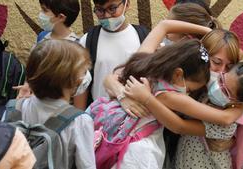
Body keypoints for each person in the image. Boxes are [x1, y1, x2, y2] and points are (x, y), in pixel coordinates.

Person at [87, 20, 212, 169]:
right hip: (137, 152)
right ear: (178, 74)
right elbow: (210, 121)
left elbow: (164, 25)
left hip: (108, 138)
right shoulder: (168, 95)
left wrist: (207, 31)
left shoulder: (142, 62)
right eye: (190, 89)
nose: (188, 94)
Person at [124, 62, 243, 169]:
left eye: (226, 91)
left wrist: (147, 99)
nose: (218, 86)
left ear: (238, 102)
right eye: (222, 78)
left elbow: (180, 126)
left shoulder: (225, 126)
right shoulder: (209, 90)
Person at [8, 40, 95, 169]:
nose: (84, 76)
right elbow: (86, 165)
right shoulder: (80, 121)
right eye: (82, 71)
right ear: (71, 81)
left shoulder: (13, 107)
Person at [75, 0, 149, 110]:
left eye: (112, 8)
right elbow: (82, 85)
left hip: (137, 117)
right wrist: (80, 120)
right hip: (100, 118)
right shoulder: (88, 40)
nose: (107, 15)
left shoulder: (144, 37)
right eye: (100, 10)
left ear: (126, 4)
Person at [14, 0, 81, 99]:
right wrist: (27, 86)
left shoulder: (75, 47)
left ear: (61, 17)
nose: (41, 14)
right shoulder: (42, 36)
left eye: (45, 10)